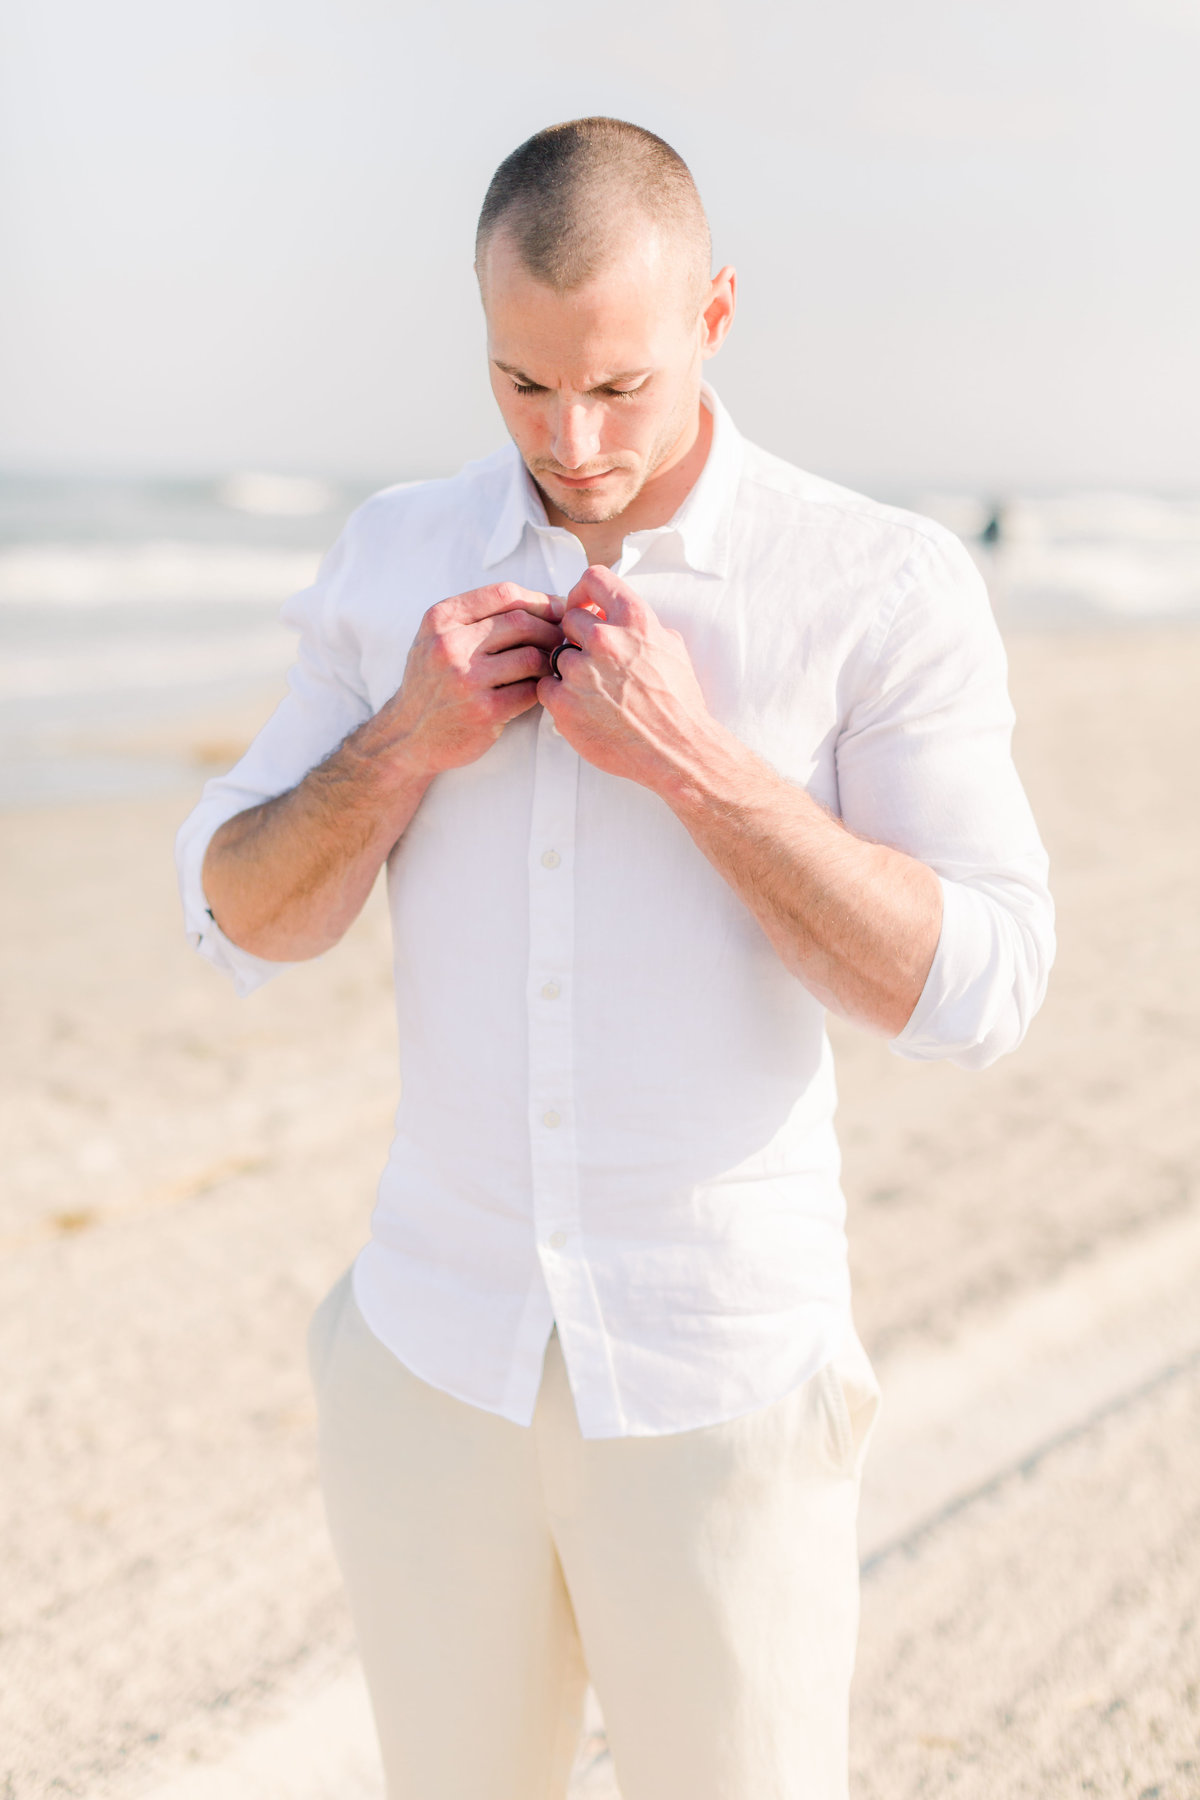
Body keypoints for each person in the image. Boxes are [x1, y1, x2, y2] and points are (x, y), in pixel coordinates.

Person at [175, 117, 1053, 1800]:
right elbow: (236, 917)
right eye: (523, 385)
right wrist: (404, 744)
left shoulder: (875, 584)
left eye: (620, 388)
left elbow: (983, 989)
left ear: (715, 316)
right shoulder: (392, 564)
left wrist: (699, 769)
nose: (571, 444)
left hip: (722, 1380)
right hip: (431, 1359)